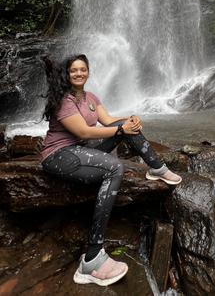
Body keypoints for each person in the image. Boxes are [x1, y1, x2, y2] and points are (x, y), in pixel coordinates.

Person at [40, 53, 182, 287]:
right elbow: (84, 132)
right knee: (115, 167)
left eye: (82, 69)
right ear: (67, 74)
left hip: (82, 151)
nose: (79, 73)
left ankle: (156, 167)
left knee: (124, 128)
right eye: (73, 70)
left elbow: (109, 121)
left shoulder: (91, 97)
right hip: (59, 155)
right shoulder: (64, 100)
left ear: (88, 71)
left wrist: (131, 121)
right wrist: (121, 130)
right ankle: (93, 257)